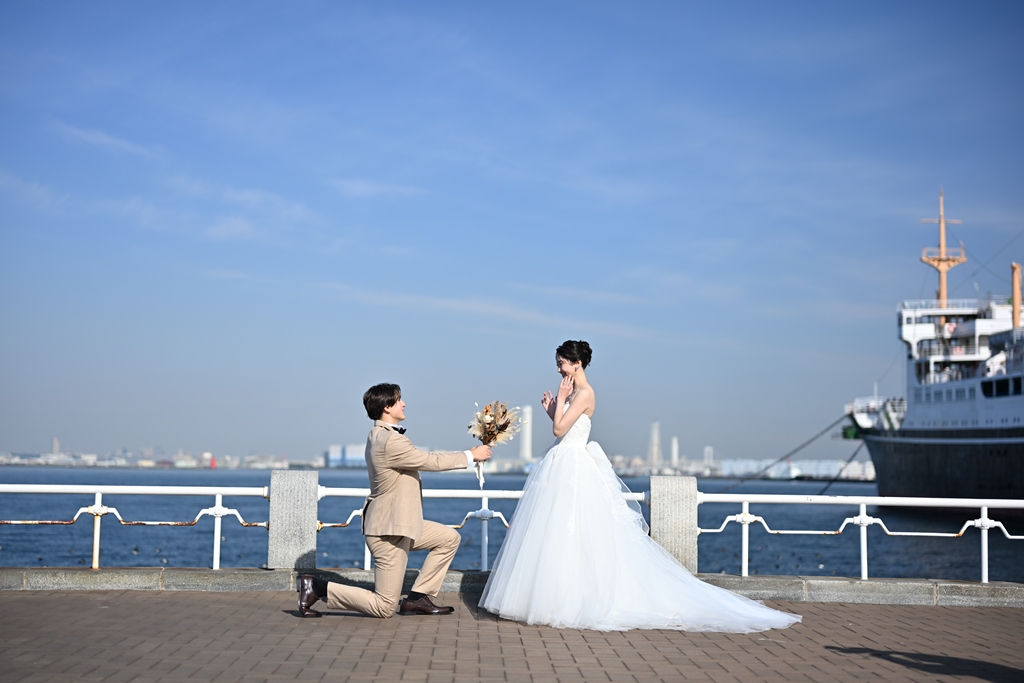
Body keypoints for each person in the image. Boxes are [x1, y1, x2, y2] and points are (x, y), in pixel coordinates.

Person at [479, 340, 801, 632]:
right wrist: (555, 408)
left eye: (562, 363)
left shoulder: (585, 393)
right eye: (558, 363)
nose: (559, 368)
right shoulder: (575, 394)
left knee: (575, 530)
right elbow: (562, 427)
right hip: (563, 462)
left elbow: (559, 430)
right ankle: (555, 596)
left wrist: (559, 403)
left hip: (572, 464)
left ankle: (573, 600)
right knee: (561, 532)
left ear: (577, 364)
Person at [297, 383, 491, 618]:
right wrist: (471, 456)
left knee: (448, 538)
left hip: (401, 524)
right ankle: (316, 588)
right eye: (399, 400)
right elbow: (429, 460)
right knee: (384, 606)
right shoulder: (390, 441)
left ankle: (418, 598)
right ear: (387, 407)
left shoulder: (378, 434)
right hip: (388, 531)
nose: (404, 403)